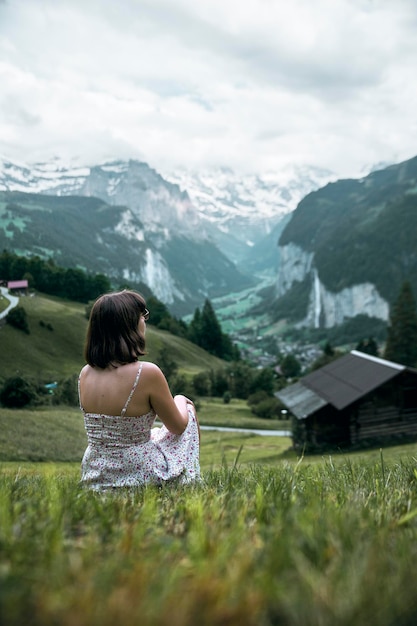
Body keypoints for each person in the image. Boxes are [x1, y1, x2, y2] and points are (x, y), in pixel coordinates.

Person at [78, 290, 200, 490]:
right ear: (128, 325)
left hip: (94, 472)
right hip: (138, 472)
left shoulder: (85, 373)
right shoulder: (146, 373)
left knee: (153, 433)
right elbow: (178, 427)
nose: (144, 320)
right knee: (188, 411)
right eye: (141, 315)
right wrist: (181, 399)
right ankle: (190, 479)